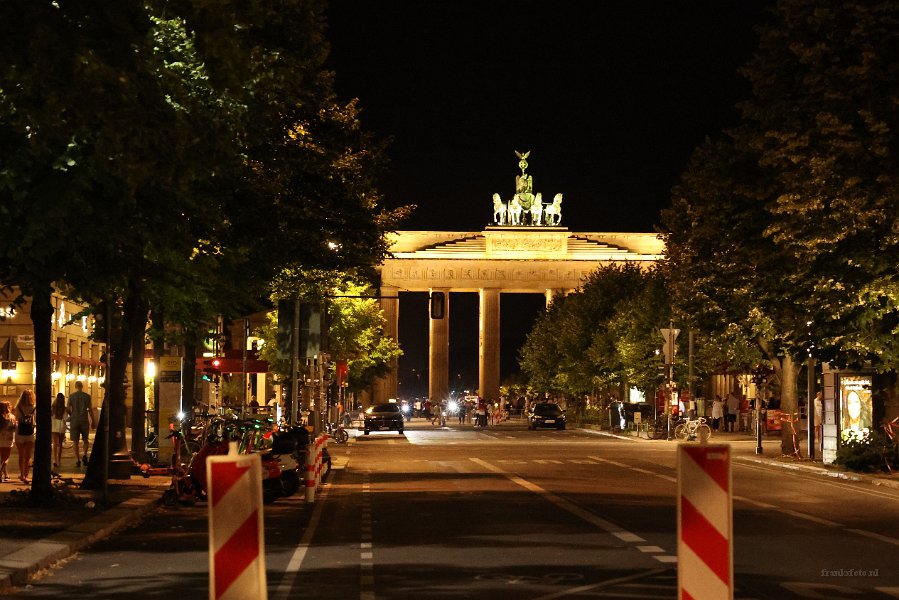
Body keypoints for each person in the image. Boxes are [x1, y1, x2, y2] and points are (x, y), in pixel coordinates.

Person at [66, 381, 96, 467]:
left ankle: (77, 460)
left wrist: (72, 415)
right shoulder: (87, 396)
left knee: (75, 442)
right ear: (82, 386)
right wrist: (93, 421)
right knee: (85, 439)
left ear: (75, 386)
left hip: (74, 420)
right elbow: (90, 409)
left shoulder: (71, 396)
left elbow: (68, 408)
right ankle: (85, 455)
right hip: (84, 420)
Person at [14, 390, 36, 483]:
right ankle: (26, 475)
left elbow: (17, 419)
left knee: (21, 455)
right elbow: (34, 420)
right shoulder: (33, 407)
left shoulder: (18, 407)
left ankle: (22, 474)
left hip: (20, 432)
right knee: (28, 456)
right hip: (29, 433)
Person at [0, 401, 16, 482]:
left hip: (1, 438)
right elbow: (14, 427)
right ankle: (1, 472)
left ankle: (5, 474)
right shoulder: (12, 417)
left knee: (2, 457)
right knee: (7, 458)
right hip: (9, 439)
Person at [51, 392, 67, 471]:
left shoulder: (53, 407)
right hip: (61, 426)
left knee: (55, 443)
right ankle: (59, 460)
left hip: (54, 426)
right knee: (60, 444)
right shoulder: (64, 408)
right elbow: (66, 418)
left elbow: (51, 416)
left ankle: (55, 459)